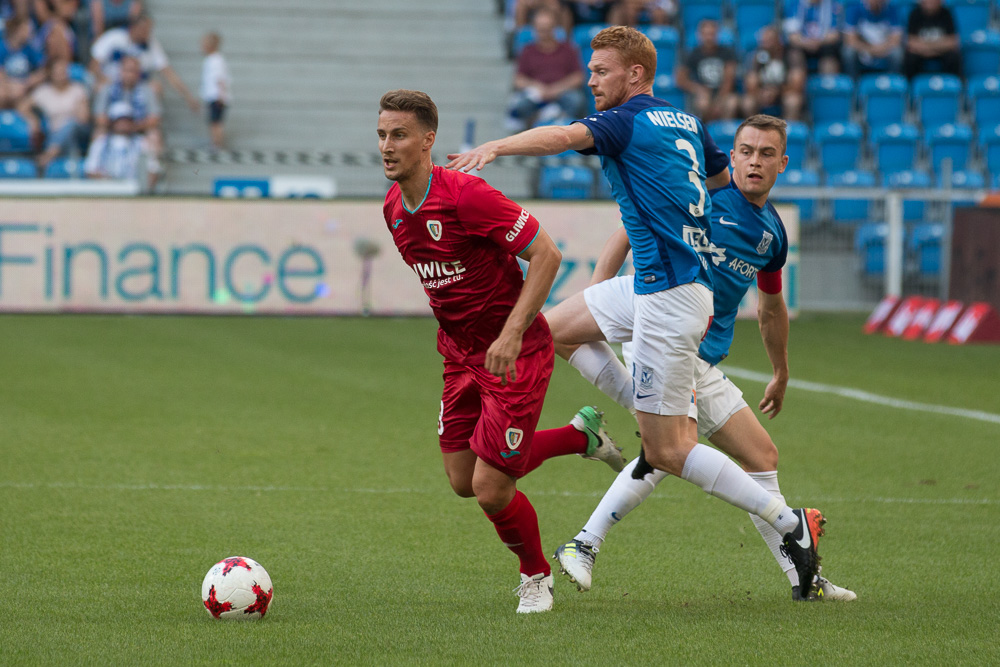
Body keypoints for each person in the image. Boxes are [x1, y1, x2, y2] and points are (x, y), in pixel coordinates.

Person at [448, 26, 826, 598]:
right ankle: (618, 417)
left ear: (635, 75)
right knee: (544, 333)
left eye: (601, 70)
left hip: (670, 302)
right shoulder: (689, 124)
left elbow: (562, 136)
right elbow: (718, 183)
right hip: (652, 287)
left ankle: (789, 522)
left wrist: (499, 147)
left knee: (668, 450)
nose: (593, 79)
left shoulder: (625, 120)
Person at [551, 115, 856, 602]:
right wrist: (598, 295)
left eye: (766, 153)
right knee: (669, 448)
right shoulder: (704, 197)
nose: (755, 161)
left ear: (783, 163)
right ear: (730, 156)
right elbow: (627, 231)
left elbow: (772, 308)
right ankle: (585, 543)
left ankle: (805, 578)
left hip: (702, 359)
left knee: (761, 456)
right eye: (746, 151)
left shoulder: (772, 233)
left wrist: (780, 370)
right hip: (664, 333)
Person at [377, 89, 626, 614]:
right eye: (381, 134)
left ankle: (536, 575)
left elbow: (546, 254)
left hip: (515, 352)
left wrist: (512, 333)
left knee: (492, 487)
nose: (387, 145)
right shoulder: (394, 207)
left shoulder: (467, 195)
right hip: (460, 356)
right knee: (463, 481)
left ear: (428, 141)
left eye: (398, 135)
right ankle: (579, 436)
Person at [89, 13, 199, 111]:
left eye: (149, 30)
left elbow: (168, 72)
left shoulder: (151, 44)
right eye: (144, 29)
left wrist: (187, 96)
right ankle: (100, 122)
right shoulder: (113, 37)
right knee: (100, 87)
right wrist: (103, 79)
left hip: (137, 87)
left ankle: (150, 124)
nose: (147, 33)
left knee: (156, 87)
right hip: (112, 83)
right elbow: (93, 65)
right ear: (133, 28)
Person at [506, 7, 585, 132]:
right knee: (520, 105)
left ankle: (560, 124)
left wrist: (557, 89)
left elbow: (578, 77)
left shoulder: (568, 49)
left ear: (554, 28)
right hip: (536, 94)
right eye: (540, 28)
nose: (543, 32)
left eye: (546, 28)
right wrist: (536, 86)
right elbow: (518, 80)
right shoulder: (528, 51)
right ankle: (538, 124)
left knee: (576, 100)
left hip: (562, 92)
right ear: (534, 28)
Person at [18, 56, 89, 169]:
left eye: (63, 72)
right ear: (51, 74)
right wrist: (33, 119)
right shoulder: (43, 91)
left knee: (70, 124)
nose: (61, 75)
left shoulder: (77, 89)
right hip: (53, 133)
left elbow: (83, 119)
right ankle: (56, 160)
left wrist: (79, 108)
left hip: (77, 133)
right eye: (58, 72)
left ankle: (48, 156)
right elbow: (22, 106)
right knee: (61, 133)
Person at [83, 99, 160, 188]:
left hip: (134, 189)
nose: (124, 124)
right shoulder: (100, 142)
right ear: (113, 122)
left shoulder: (142, 143)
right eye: (120, 120)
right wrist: (109, 183)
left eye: (127, 120)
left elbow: (153, 170)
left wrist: (144, 190)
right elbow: (90, 170)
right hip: (106, 190)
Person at [92, 55, 161, 152]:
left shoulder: (147, 90)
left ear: (138, 74)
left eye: (132, 71)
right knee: (99, 133)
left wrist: (133, 127)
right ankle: (95, 165)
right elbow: (99, 117)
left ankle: (153, 166)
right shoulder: (108, 88)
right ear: (120, 71)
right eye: (126, 70)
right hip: (112, 128)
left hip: (138, 130)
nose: (129, 74)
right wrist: (118, 126)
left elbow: (154, 118)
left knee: (154, 134)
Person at [675, 19, 739, 122]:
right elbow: (680, 79)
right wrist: (698, 88)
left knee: (732, 103)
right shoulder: (693, 54)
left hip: (724, 92)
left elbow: (729, 79)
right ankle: (706, 132)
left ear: (717, 34)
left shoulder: (727, 52)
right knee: (703, 103)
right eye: (706, 34)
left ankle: (724, 134)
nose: (709, 38)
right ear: (699, 35)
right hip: (704, 92)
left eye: (712, 34)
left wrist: (719, 101)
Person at [741, 25, 806, 121]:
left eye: (769, 40)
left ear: (779, 41)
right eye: (764, 41)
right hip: (763, 93)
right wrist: (761, 93)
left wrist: (777, 91)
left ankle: (788, 132)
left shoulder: (791, 55)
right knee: (748, 102)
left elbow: (797, 84)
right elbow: (750, 83)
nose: (766, 44)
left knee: (793, 101)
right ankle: (755, 129)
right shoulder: (757, 55)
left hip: (785, 92)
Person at [842, 0, 904, 78]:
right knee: (848, 52)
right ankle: (852, 84)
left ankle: (893, 83)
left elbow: (896, 39)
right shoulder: (854, 8)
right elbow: (850, 40)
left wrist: (880, 49)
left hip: (884, 48)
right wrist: (870, 49)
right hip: (863, 48)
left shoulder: (892, 9)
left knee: (897, 53)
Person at [903, 0, 961, 80]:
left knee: (954, 56)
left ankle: (953, 85)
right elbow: (911, 42)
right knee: (910, 57)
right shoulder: (915, 13)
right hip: (924, 52)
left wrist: (927, 47)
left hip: (939, 52)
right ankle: (910, 87)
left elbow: (952, 41)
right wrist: (937, 46)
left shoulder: (946, 13)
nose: (930, 2)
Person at [783, 0, 844, 75]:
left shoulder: (833, 5)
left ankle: (828, 84)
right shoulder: (795, 4)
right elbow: (792, 36)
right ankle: (796, 82)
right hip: (802, 44)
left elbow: (835, 35)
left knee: (830, 55)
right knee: (794, 54)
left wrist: (818, 42)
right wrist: (807, 43)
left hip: (824, 44)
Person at [0, 15, 45, 109]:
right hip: (7, 86)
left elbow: (43, 70)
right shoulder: (2, 47)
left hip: (25, 88)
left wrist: (27, 83)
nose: (30, 31)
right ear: (17, 30)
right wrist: (9, 86)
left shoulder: (29, 48)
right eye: (26, 28)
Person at [200, 31, 230, 149]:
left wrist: (220, 96)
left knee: (215, 122)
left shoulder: (216, 60)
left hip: (216, 96)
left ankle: (217, 143)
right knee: (214, 121)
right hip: (212, 95)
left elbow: (220, 79)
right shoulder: (211, 59)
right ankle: (215, 142)